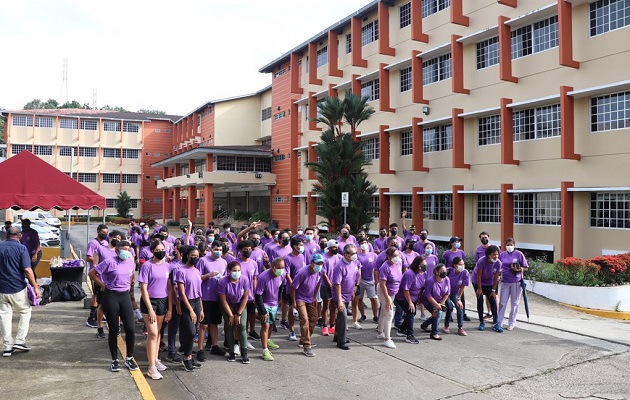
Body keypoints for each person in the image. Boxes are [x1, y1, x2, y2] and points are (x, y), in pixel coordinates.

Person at [88, 240, 139, 372]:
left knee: (130, 328)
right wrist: (104, 285)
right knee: (114, 329)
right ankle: (114, 360)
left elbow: (131, 275)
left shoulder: (130, 262)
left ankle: (129, 358)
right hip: (111, 296)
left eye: (128, 248)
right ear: (117, 250)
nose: (126, 251)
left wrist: (129, 285)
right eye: (123, 248)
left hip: (125, 296)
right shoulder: (109, 261)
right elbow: (92, 274)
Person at [0, 226, 40, 357]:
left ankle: (7, 347)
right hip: (17, 288)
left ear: (6, 235)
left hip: (1, 289)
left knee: (5, 317)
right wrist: (35, 287)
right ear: (20, 236)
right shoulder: (21, 248)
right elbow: (27, 270)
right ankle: (19, 341)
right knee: (25, 311)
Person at [138, 239, 172, 380]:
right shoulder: (147, 266)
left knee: (158, 333)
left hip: (163, 301)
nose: (160, 252)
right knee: (152, 333)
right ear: (152, 252)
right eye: (157, 250)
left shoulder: (168, 266)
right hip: (149, 302)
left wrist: (170, 308)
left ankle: (155, 359)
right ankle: (151, 368)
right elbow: (143, 289)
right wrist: (150, 309)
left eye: (162, 249)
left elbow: (169, 288)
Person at [195, 240, 227, 360]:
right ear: (211, 249)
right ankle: (200, 349)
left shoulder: (224, 262)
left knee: (214, 323)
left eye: (220, 250)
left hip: (218, 296)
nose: (218, 252)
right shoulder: (203, 261)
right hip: (205, 296)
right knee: (204, 325)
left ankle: (214, 346)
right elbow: (197, 277)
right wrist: (209, 275)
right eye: (216, 249)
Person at [175, 246, 203, 371]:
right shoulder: (181, 271)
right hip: (187, 303)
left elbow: (199, 291)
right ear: (186, 255)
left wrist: (201, 308)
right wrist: (191, 310)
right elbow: (182, 293)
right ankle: (186, 357)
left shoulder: (197, 271)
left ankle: (190, 357)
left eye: (197, 255)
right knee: (191, 332)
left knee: (194, 331)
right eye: (192, 255)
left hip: (197, 301)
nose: (195, 257)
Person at [291, 253, 324, 357]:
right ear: (311, 263)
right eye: (318, 263)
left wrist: (314, 296)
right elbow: (293, 287)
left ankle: (304, 338)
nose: (320, 265)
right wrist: (294, 302)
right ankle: (307, 345)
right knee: (304, 319)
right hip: (300, 298)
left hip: (310, 298)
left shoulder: (319, 271)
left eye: (321, 263)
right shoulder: (302, 273)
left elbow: (318, 283)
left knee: (314, 318)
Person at [218, 261, 250, 364]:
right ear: (229, 271)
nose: (236, 273)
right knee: (229, 326)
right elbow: (223, 300)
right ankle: (231, 352)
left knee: (242, 326)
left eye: (238, 270)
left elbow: (245, 297)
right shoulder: (224, 282)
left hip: (240, 304)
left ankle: (244, 353)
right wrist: (231, 315)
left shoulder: (244, 279)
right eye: (234, 270)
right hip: (228, 305)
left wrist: (239, 313)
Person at [255, 258, 285, 361]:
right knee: (265, 325)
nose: (281, 270)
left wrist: (279, 298)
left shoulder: (282, 274)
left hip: (274, 303)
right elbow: (258, 294)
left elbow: (281, 286)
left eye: (282, 267)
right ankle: (265, 350)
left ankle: (268, 340)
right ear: (272, 267)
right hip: (264, 303)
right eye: (278, 268)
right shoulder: (263, 277)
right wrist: (262, 310)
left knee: (271, 324)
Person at [331, 244, 360, 350]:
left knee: (340, 317)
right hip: (340, 296)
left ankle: (337, 336)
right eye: (352, 254)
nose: (355, 255)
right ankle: (341, 341)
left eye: (355, 253)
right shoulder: (340, 266)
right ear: (346, 254)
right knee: (343, 317)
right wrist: (339, 301)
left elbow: (354, 277)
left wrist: (353, 290)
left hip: (348, 294)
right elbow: (337, 284)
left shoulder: (354, 263)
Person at [496, 238, 528, 331]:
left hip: (516, 282)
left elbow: (525, 267)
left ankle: (511, 323)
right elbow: (499, 266)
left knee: (515, 303)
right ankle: (499, 322)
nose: (509, 246)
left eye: (511, 244)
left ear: (514, 245)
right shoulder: (502, 254)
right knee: (502, 303)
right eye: (508, 245)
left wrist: (518, 269)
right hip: (505, 281)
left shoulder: (519, 254)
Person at [393, 256, 426, 344]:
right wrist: (410, 302)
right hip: (403, 298)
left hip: (414, 297)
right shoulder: (409, 274)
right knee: (411, 312)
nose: (424, 267)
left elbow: (422, 287)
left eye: (425, 265)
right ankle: (409, 335)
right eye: (422, 265)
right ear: (417, 264)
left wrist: (418, 300)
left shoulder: (423, 273)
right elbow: (405, 289)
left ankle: (402, 329)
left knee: (412, 312)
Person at [376, 247, 403, 349]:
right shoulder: (385, 267)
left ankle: (380, 332)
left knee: (384, 312)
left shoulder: (399, 263)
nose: (396, 258)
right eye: (394, 256)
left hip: (392, 292)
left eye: (397, 255)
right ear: (388, 257)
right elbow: (382, 284)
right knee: (389, 314)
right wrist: (387, 299)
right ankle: (387, 339)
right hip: (384, 292)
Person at [235, 240, 259, 349]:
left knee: (249, 318)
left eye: (249, 249)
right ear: (240, 250)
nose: (248, 251)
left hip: (250, 297)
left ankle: (245, 339)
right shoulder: (236, 263)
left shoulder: (254, 263)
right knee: (238, 321)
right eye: (245, 249)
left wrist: (254, 293)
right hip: (238, 297)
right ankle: (235, 341)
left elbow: (254, 278)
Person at [282, 237, 306, 341]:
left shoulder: (301, 256)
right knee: (292, 308)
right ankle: (291, 330)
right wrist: (293, 285)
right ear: (294, 246)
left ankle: (302, 329)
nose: (301, 247)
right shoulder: (288, 258)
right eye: (299, 245)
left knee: (302, 310)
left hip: (302, 288)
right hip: (291, 288)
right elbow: (287, 274)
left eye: (302, 245)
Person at [86, 224, 110, 328]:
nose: (105, 235)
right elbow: (88, 257)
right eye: (103, 233)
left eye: (106, 233)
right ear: (98, 231)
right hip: (95, 272)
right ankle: (91, 317)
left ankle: (100, 314)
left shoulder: (106, 243)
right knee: (96, 294)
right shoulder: (93, 243)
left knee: (102, 295)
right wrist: (100, 261)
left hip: (104, 273)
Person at [473, 245, 501, 331]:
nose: (496, 256)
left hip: (490, 282)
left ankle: (496, 323)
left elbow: (496, 277)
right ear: (488, 255)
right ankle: (481, 322)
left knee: (492, 299)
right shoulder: (482, 261)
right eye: (493, 254)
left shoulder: (498, 263)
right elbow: (479, 276)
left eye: (497, 254)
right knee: (480, 299)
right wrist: (479, 289)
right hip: (478, 281)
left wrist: (493, 290)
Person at [419, 263, 450, 340]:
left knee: (436, 314)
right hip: (428, 301)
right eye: (442, 271)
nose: (444, 272)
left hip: (440, 300)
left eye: (445, 270)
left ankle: (424, 325)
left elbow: (447, 293)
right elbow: (428, 295)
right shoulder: (430, 281)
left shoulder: (447, 279)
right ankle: (434, 333)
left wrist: (442, 303)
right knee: (438, 313)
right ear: (436, 272)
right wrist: (436, 304)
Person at [353, 237, 379, 325]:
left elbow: (377, 268)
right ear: (359, 245)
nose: (364, 244)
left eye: (365, 242)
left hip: (370, 280)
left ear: (368, 244)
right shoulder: (357, 256)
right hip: (360, 281)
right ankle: (363, 315)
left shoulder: (374, 255)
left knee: (373, 299)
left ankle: (375, 316)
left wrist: (376, 281)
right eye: (362, 243)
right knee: (359, 299)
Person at [445, 256, 469, 336]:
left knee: (459, 307)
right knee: (450, 307)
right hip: (445, 293)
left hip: (455, 293)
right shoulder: (448, 271)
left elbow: (463, 286)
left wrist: (459, 299)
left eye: (463, 264)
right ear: (455, 265)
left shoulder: (465, 272)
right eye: (460, 264)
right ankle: (446, 326)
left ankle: (460, 328)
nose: (462, 266)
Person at [320, 240, 339, 336]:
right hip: (326, 286)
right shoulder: (324, 258)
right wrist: (330, 285)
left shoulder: (338, 257)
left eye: (336, 247)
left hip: (335, 286)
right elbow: (324, 274)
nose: (336, 249)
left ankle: (332, 325)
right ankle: (324, 326)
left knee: (334, 306)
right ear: (329, 248)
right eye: (334, 247)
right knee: (326, 305)